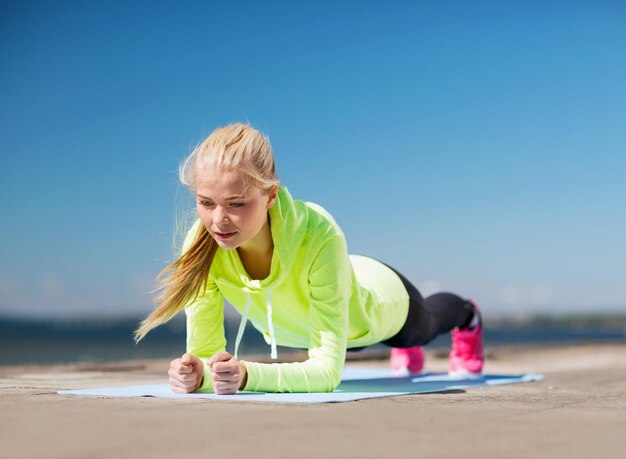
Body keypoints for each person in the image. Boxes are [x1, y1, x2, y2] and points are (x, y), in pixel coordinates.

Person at [134, 122, 484, 395]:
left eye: (237, 204)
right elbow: (207, 356)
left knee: (419, 330)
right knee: (347, 342)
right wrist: (197, 374)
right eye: (206, 202)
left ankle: (468, 317)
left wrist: (246, 375)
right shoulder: (202, 243)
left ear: (271, 195)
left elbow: (327, 374)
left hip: (377, 302)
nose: (218, 220)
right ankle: (404, 354)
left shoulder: (320, 232)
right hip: (318, 316)